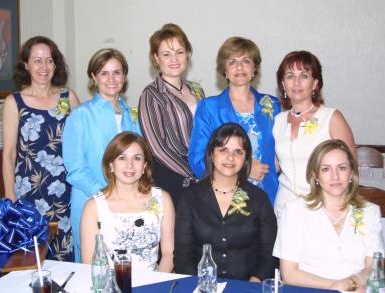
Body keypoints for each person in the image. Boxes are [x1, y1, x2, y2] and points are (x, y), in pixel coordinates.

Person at [2, 35, 80, 261]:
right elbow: (8, 154)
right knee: (32, 260)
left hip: (65, 194)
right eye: (37, 60)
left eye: (49, 60)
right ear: (26, 65)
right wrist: (10, 197)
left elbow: (83, 140)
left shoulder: (68, 97)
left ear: (56, 64)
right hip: (28, 195)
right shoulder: (14, 102)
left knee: (66, 258)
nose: (43, 67)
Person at [273, 139, 385, 292]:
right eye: (326, 169)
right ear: (315, 176)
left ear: (351, 172)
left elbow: (374, 266)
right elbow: (289, 274)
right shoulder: (294, 211)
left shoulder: (369, 212)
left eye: (342, 168)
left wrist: (352, 282)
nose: (335, 176)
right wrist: (339, 287)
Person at [63, 48, 141, 262]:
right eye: (104, 73)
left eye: (117, 72)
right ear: (93, 77)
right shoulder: (81, 115)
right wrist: (107, 196)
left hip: (128, 205)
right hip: (91, 204)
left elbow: (140, 159)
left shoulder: (132, 115)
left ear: (124, 76)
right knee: (94, 271)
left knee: (127, 267)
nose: (111, 79)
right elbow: (75, 169)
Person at [176, 123, 277, 281]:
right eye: (223, 150)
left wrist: (253, 284)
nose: (231, 158)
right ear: (211, 153)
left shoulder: (259, 199)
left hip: (248, 288)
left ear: (246, 158)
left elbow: (268, 255)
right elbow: (183, 258)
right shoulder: (190, 198)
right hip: (201, 287)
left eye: (238, 152)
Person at [188, 37, 280, 204]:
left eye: (246, 61)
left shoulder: (273, 106)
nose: (239, 67)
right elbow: (197, 159)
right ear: (225, 70)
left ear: (254, 68)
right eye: (232, 62)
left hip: (268, 198)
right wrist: (243, 170)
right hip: (223, 199)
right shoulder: (209, 108)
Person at [273, 51, 356, 219]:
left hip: (323, 209)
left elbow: (351, 169)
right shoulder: (278, 121)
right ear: (283, 84)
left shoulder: (332, 118)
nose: (296, 82)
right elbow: (274, 167)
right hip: (285, 211)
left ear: (315, 83)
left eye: (304, 76)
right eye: (290, 76)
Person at [80, 132, 175, 272]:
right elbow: (89, 264)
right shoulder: (93, 207)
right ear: (110, 165)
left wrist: (157, 285)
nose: (129, 165)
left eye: (137, 158)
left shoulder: (162, 199)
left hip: (153, 284)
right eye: (122, 158)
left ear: (144, 166)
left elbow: (169, 254)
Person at [139, 23, 205, 206]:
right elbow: (156, 147)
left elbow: (207, 133)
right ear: (156, 58)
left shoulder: (197, 90)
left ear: (188, 54)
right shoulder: (151, 94)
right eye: (166, 54)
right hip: (173, 180)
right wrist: (193, 173)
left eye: (179, 52)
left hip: (202, 177)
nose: (174, 59)